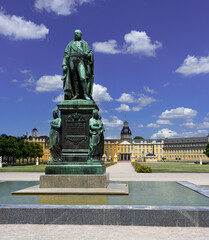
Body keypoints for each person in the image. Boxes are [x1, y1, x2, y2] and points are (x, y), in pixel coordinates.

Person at [62, 29, 94, 100]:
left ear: (81, 34)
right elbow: (66, 55)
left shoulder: (85, 44)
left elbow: (90, 53)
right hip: (71, 60)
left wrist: (88, 55)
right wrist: (64, 64)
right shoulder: (70, 44)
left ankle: (85, 95)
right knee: (74, 78)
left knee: (82, 78)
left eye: (77, 33)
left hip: (81, 60)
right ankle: (76, 94)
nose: (76, 34)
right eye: (75, 33)